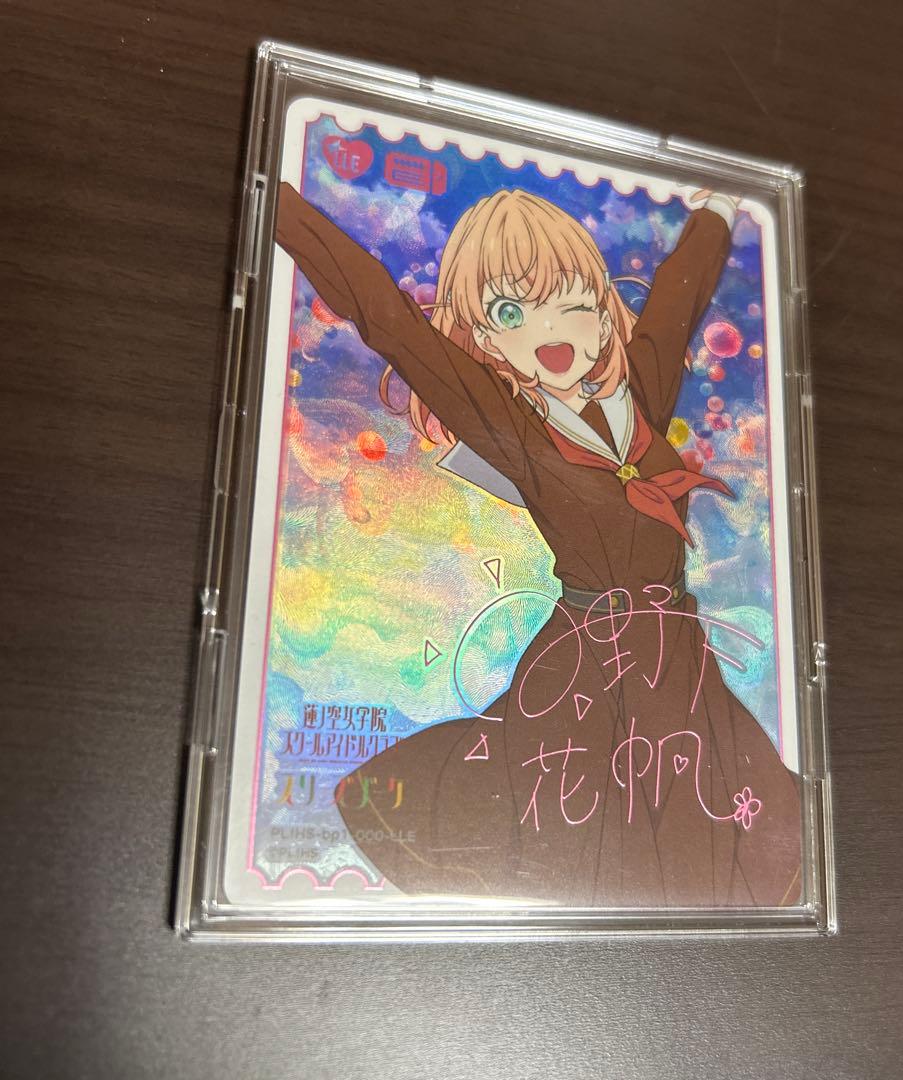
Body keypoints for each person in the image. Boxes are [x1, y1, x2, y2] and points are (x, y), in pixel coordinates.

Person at [275, 181, 802, 908]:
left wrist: (719, 208)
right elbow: (389, 320)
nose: (547, 330)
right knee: (589, 843)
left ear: (602, 313)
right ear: (489, 342)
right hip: (585, 670)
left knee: (709, 828)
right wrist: (281, 209)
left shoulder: (642, 390)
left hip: (675, 657)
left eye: (570, 301)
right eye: (509, 312)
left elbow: (679, 298)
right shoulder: (516, 429)